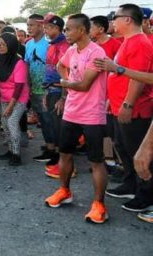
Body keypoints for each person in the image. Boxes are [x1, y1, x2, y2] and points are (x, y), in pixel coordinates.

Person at [43, 14, 109, 224]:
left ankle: (99, 204)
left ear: (81, 31)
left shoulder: (97, 52)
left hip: (92, 114)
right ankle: (64, 191)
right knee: (65, 154)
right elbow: (61, 66)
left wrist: (64, 84)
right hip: (72, 111)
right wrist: (66, 80)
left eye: (69, 29)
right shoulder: (72, 50)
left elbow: (84, 85)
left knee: (96, 161)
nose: (66, 33)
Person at [95, 4, 153, 213]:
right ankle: (131, 184)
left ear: (128, 20)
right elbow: (120, 74)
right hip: (120, 105)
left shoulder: (140, 43)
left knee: (139, 152)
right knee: (123, 148)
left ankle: (146, 194)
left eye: (116, 18)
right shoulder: (128, 41)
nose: (113, 22)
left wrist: (128, 104)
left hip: (135, 108)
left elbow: (137, 78)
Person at [25, 14, 58, 164]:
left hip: (49, 90)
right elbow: (27, 64)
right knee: (43, 121)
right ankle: (49, 147)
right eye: (28, 25)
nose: (29, 28)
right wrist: (28, 84)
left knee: (50, 120)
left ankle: (54, 152)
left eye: (32, 25)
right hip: (35, 88)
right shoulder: (29, 44)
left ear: (40, 26)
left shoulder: (50, 44)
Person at [43, 14, 71, 175]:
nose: (45, 29)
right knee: (55, 126)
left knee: (61, 128)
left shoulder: (64, 46)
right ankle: (61, 162)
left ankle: (66, 166)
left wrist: (63, 97)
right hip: (51, 89)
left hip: (60, 90)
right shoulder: (53, 44)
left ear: (56, 28)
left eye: (48, 27)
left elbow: (67, 73)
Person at [0, 32, 29, 166]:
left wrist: (10, 106)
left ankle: (16, 154)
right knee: (4, 123)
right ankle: (10, 150)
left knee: (12, 122)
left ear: (11, 45)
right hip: (4, 96)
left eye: (3, 44)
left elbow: (19, 86)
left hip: (18, 98)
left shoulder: (19, 62)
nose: (1, 47)